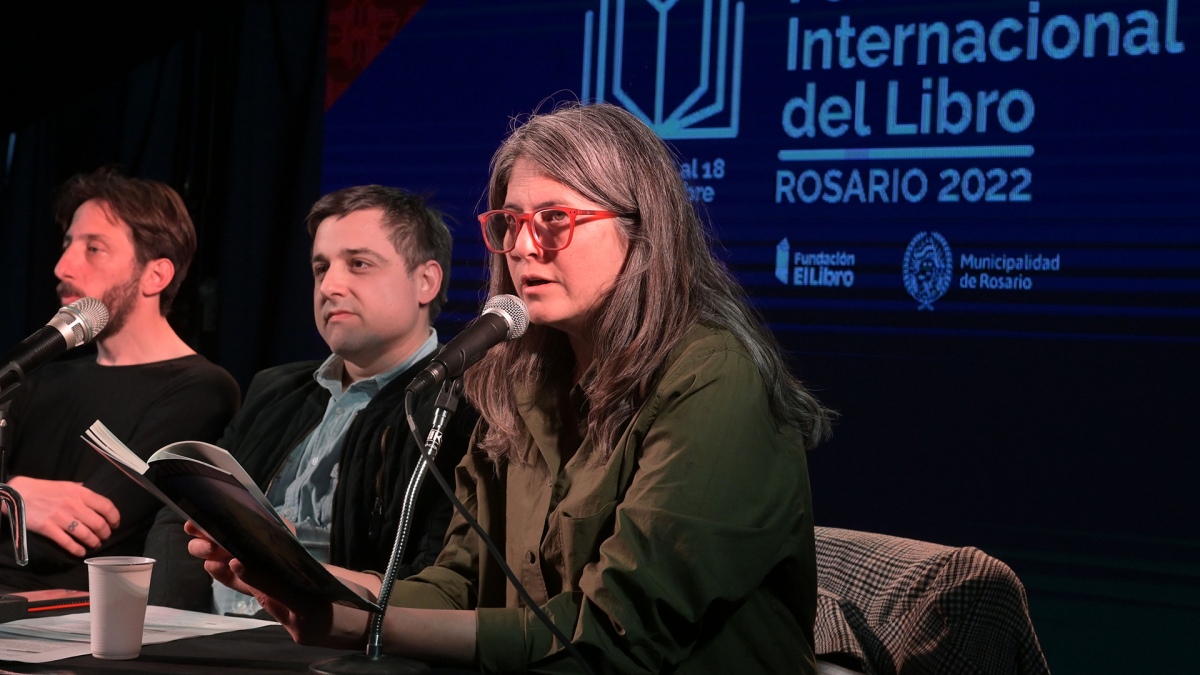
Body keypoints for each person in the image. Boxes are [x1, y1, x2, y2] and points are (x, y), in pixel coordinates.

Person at [189, 103, 831, 672]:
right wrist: (308, 582)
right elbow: (460, 584)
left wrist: (370, 626)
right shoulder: (515, 382)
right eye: (510, 222)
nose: (523, 246)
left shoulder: (711, 377)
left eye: (553, 219)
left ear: (641, 230)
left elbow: (617, 636)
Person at [148, 185, 477, 613]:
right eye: (321, 268)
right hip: (210, 639)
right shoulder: (275, 389)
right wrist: (163, 628)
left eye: (359, 264)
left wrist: (280, 558)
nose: (331, 285)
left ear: (426, 281)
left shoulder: (457, 407)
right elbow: (182, 515)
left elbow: (435, 586)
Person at [0, 168, 240, 591]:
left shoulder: (200, 389)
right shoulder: (35, 377)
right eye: (67, 244)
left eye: (94, 248)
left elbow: (70, 540)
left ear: (156, 275)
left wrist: (8, 500)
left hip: (65, 624)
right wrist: (16, 495)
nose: (62, 266)